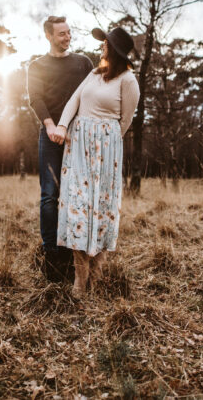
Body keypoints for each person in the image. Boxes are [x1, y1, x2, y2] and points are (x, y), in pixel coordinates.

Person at [53, 27, 139, 297]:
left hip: (106, 150)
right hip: (78, 147)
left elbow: (124, 121)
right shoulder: (93, 74)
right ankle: (80, 278)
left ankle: (97, 276)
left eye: (106, 44)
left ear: (115, 50)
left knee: (101, 210)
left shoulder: (128, 80)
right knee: (78, 208)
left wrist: (105, 140)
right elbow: (73, 101)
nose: (102, 47)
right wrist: (64, 126)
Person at [26, 16, 94, 281]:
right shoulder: (37, 66)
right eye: (62, 34)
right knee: (50, 195)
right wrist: (51, 126)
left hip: (80, 136)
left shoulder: (83, 63)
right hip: (51, 135)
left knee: (78, 194)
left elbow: (92, 92)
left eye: (69, 32)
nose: (67, 37)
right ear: (49, 36)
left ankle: (75, 251)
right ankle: (51, 253)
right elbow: (36, 98)